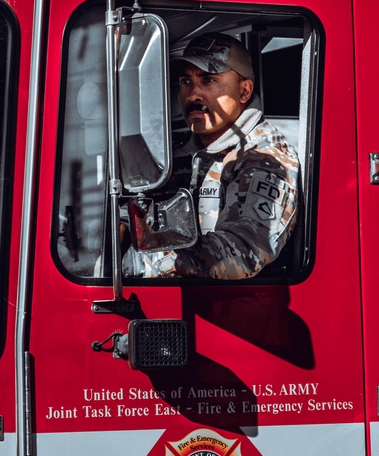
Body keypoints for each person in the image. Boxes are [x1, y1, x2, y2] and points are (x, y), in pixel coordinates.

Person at [122, 32, 299, 279]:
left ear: (244, 92)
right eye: (185, 81)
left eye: (208, 80)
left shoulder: (264, 157)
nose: (193, 94)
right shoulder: (176, 153)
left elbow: (245, 251)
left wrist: (148, 264)